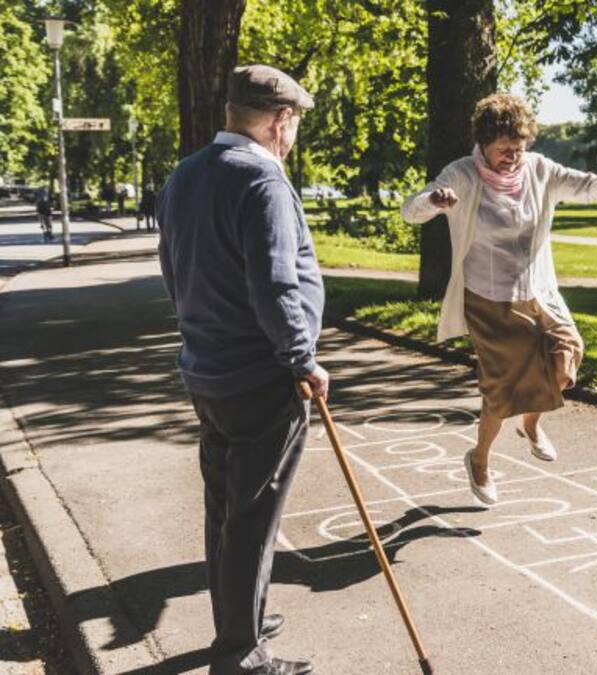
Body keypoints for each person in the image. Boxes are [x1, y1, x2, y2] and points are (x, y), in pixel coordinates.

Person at [157, 64, 323, 675]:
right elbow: (276, 284)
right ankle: (241, 654)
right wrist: (302, 358)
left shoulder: (186, 173)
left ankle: (239, 621)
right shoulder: (262, 181)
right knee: (253, 514)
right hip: (260, 376)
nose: (295, 134)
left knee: (226, 505)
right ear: (280, 121)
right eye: (296, 123)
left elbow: (173, 271)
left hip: (208, 368)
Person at [401, 92, 597, 506]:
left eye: (519, 148)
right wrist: (434, 202)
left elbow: (582, 184)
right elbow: (411, 210)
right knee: (503, 388)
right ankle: (480, 459)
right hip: (489, 298)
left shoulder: (539, 170)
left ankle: (530, 425)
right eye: (504, 150)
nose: (513, 157)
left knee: (567, 356)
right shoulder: (461, 175)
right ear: (484, 144)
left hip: (538, 288)